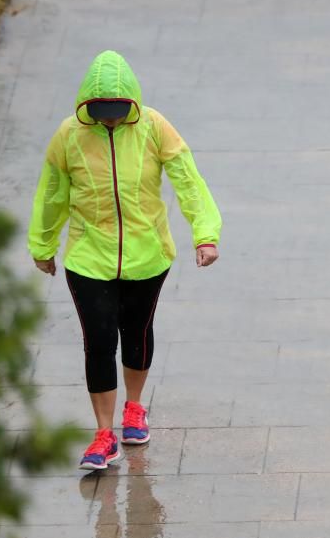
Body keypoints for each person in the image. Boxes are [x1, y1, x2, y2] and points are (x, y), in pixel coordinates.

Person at [28, 50, 221, 470]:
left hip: (147, 256)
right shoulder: (68, 135)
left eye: (118, 112)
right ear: (87, 107)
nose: (111, 120)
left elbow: (188, 180)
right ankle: (103, 434)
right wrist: (43, 245)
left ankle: (134, 408)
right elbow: (52, 193)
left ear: (132, 104)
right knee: (99, 341)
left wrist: (204, 234)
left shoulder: (154, 127)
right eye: (101, 113)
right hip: (87, 257)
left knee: (136, 333)